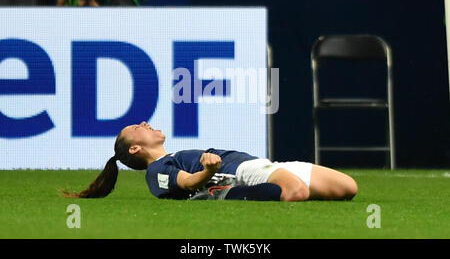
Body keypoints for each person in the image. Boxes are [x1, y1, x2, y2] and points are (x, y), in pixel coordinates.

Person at [62, 122, 358, 202]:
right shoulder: (155, 172)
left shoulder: (172, 156)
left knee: (348, 187)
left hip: (261, 164)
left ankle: (259, 190)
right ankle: (236, 194)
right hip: (238, 172)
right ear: (136, 148)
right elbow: (186, 182)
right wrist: (209, 171)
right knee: (298, 192)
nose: (144, 122)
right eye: (136, 128)